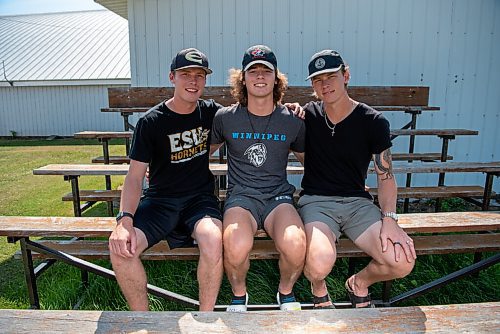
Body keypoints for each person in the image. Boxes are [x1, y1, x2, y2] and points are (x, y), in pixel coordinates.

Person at [297, 50, 417, 308]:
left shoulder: (372, 121)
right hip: (317, 202)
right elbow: (294, 144)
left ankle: (359, 283)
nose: (325, 84)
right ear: (312, 85)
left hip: (357, 203)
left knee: (401, 260)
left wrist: (390, 219)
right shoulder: (309, 116)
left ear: (346, 75)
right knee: (318, 266)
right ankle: (318, 286)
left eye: (331, 76)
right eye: (318, 80)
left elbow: (385, 177)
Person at [108, 48, 224, 311]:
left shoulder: (213, 113)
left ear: (205, 80)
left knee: (213, 239)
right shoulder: (151, 122)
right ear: (172, 77)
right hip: (161, 200)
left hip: (200, 199)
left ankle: (205, 317)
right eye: (186, 74)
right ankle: (144, 320)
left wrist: (290, 109)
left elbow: (248, 116)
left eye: (199, 75)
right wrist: (124, 220)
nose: (193, 81)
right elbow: (135, 177)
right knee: (121, 248)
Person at [211, 45, 307, 312]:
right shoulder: (225, 118)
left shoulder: (292, 119)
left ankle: (285, 292)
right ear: (243, 78)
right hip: (242, 198)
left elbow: (310, 162)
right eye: (253, 71)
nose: (260, 76)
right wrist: (162, 167)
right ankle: (239, 295)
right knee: (235, 242)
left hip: (278, 197)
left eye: (267, 71)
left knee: (296, 244)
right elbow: (197, 154)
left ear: (277, 78)